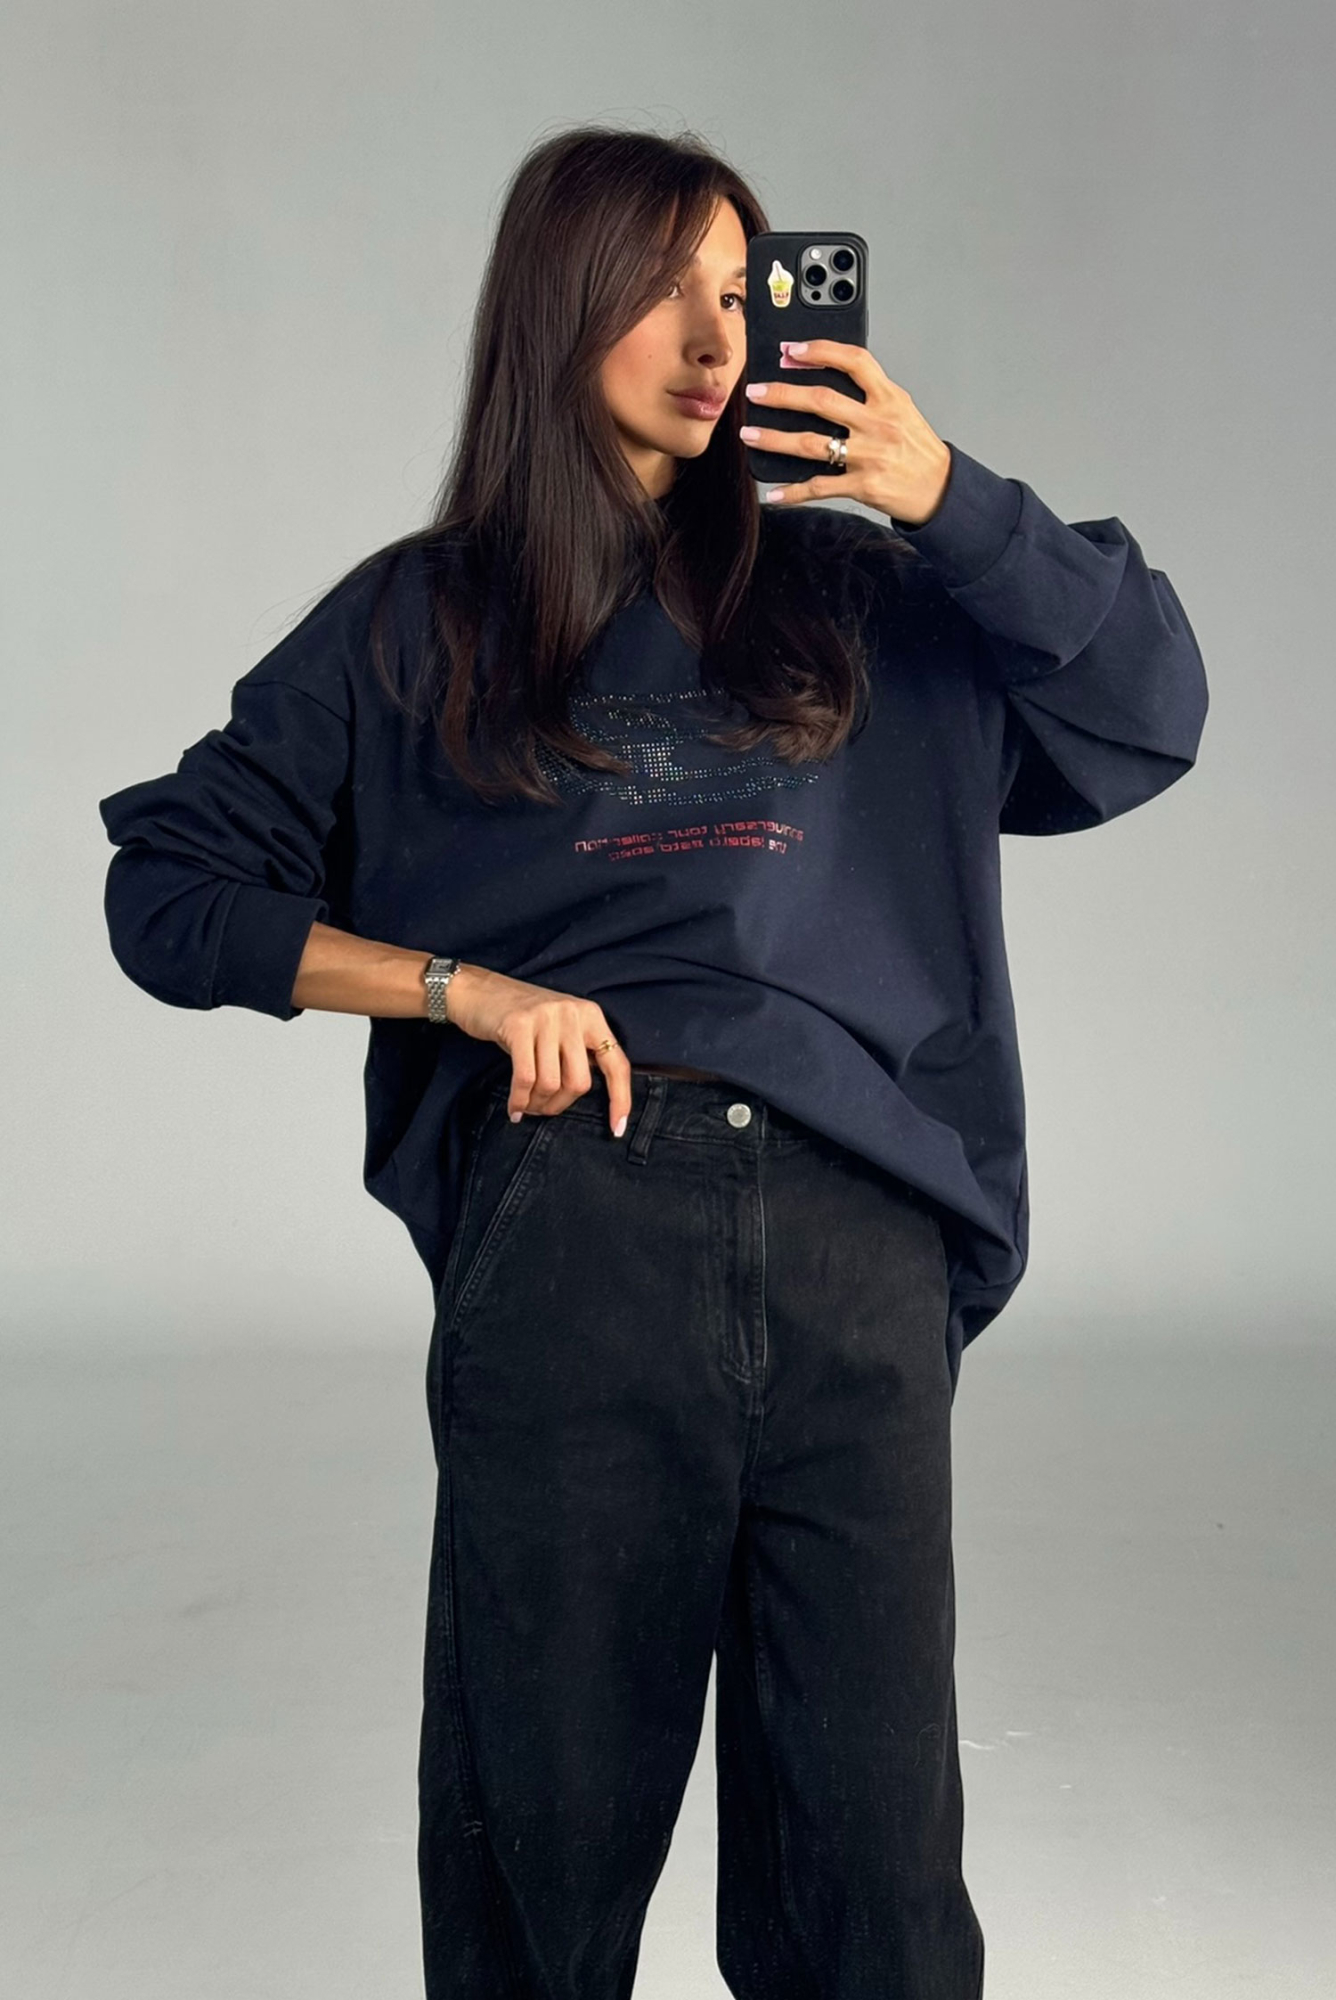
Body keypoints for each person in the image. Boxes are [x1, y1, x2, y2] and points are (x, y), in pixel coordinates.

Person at [97, 125, 1208, 2000]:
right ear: (559, 304)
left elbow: (1150, 711)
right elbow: (170, 890)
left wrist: (946, 497)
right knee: (537, 1865)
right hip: (577, 1230)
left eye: (742, 292)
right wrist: (457, 989)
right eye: (665, 289)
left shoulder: (866, 595)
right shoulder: (416, 622)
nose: (718, 338)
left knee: (876, 1898)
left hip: (858, 1246)